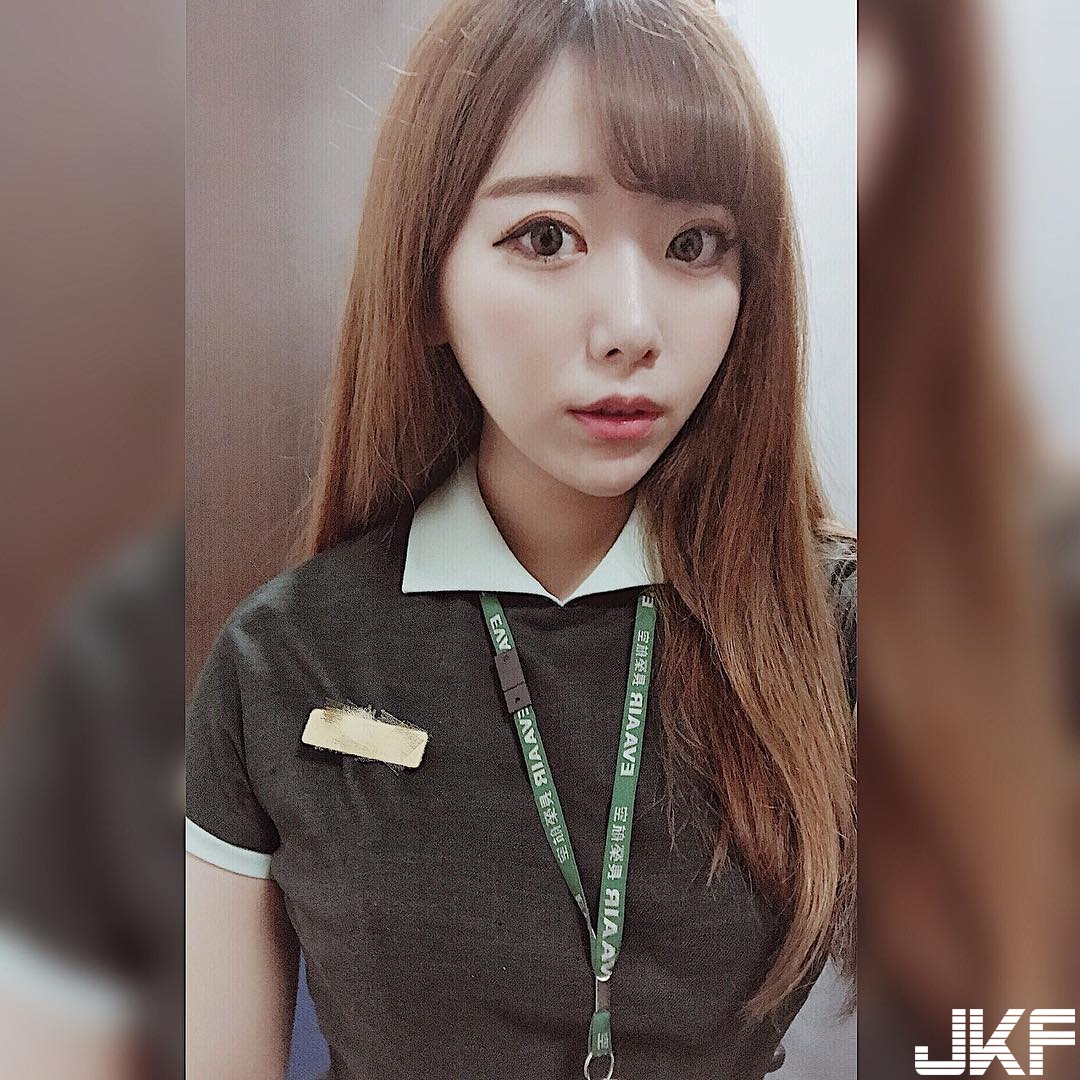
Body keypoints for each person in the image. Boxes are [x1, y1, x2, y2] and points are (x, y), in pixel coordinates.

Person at [185, 2, 856, 1078]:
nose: (630, 326)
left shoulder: (843, 632)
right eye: (546, 237)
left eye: (693, 244)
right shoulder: (287, 662)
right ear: (427, 283)